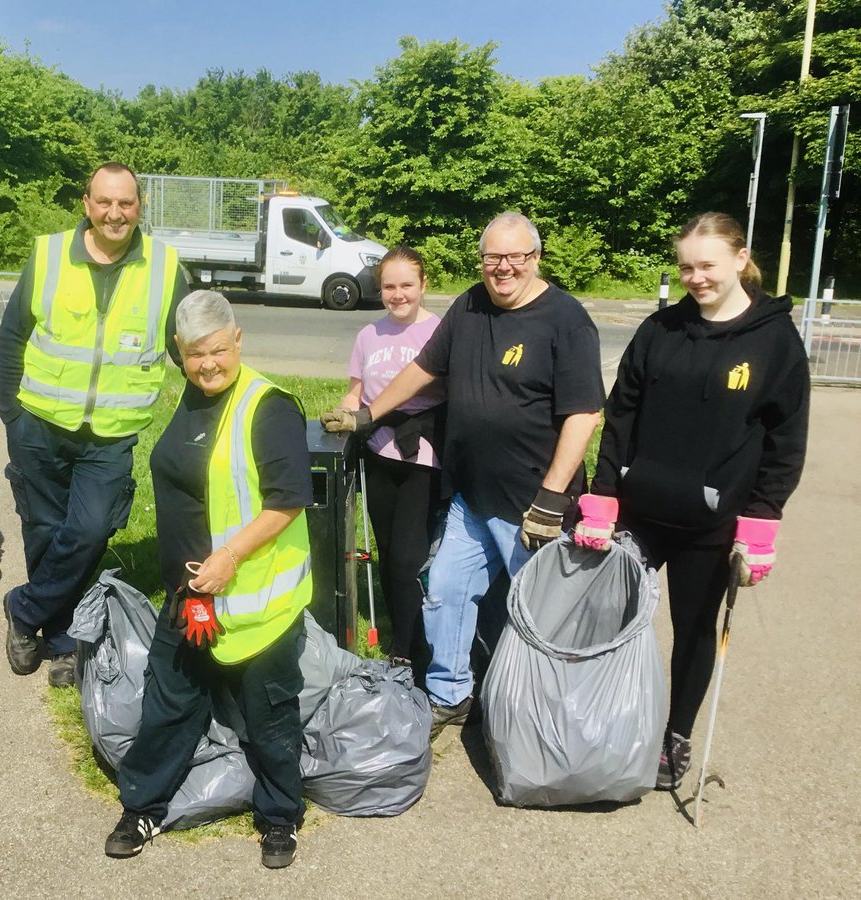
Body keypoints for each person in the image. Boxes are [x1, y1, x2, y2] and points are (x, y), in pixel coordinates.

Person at [322, 212, 604, 739]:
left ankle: (551, 716)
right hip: (471, 499)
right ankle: (450, 694)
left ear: (535, 257)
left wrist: (551, 496)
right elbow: (423, 368)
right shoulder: (470, 305)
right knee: (446, 591)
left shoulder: (566, 320)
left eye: (514, 256)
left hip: (530, 506)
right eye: (492, 257)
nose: (502, 268)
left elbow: (584, 415)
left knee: (540, 616)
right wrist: (369, 414)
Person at [577, 212, 809, 791]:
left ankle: (674, 734)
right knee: (608, 619)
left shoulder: (775, 341)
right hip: (638, 513)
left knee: (694, 628)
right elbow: (621, 417)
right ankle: (602, 716)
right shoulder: (659, 330)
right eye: (686, 267)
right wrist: (603, 498)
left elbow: (785, 443)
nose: (696, 277)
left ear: (739, 258)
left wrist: (759, 531)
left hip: (712, 524)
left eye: (707, 265)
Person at [105, 291, 312, 869]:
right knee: (168, 705)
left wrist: (227, 558)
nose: (208, 364)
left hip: (253, 603)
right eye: (195, 354)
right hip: (189, 596)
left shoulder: (267, 406)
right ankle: (143, 806)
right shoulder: (193, 399)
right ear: (179, 352)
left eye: (218, 350)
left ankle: (280, 817)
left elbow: (290, 500)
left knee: (270, 715)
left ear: (238, 339)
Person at [0, 162, 187, 687]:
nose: (114, 213)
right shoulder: (50, 254)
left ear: (139, 207)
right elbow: (12, 336)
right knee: (43, 530)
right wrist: (9, 413)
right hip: (38, 423)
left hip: (111, 434)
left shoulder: (166, 267)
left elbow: (189, 346)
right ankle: (60, 641)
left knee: (90, 529)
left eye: (125, 203)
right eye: (104, 202)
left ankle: (23, 608)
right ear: (87, 204)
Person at [333, 246, 444, 678]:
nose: (398, 295)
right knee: (386, 553)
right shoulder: (368, 335)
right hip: (379, 451)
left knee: (408, 558)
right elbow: (356, 391)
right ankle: (403, 633)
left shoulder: (439, 330)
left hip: (424, 455)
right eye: (389, 287)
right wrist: (345, 414)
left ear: (423, 285)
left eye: (406, 286)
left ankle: (410, 647)